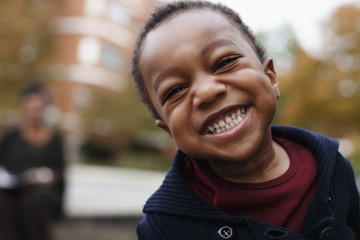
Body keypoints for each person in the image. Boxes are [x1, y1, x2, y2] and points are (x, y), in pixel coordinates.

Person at [130, 1, 360, 239]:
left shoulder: (332, 168)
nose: (207, 91)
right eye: (175, 90)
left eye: (224, 63)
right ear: (169, 131)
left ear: (270, 78)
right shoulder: (162, 229)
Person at [0, 83, 65, 240]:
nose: (34, 114)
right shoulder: (11, 136)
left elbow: (60, 173)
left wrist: (44, 176)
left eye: (38, 109)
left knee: (29, 203)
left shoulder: (54, 138)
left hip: (41, 192)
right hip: (12, 189)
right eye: (31, 109)